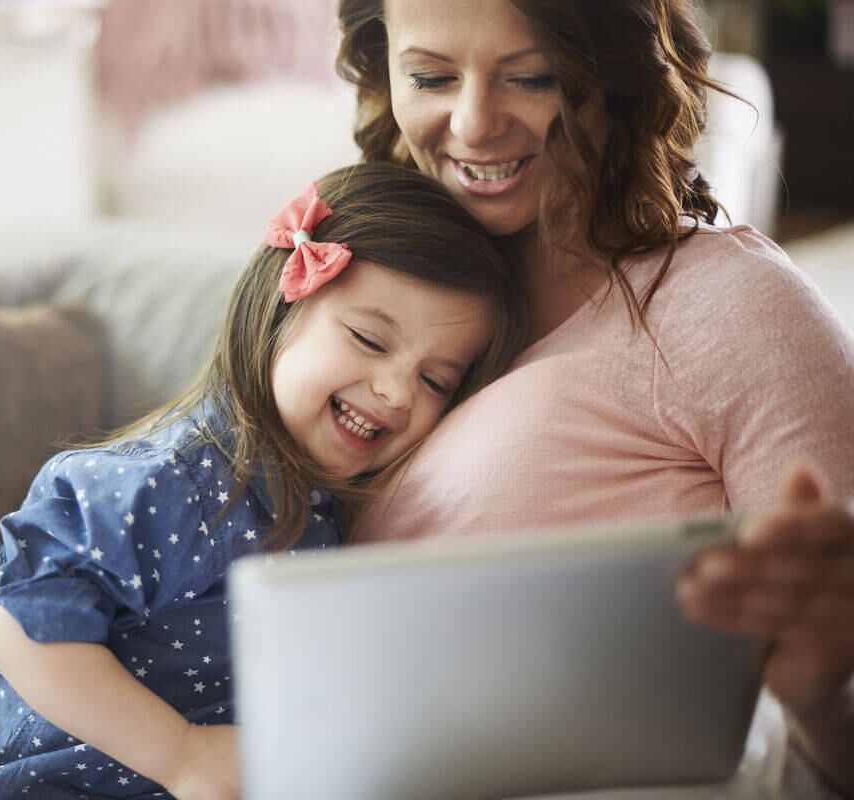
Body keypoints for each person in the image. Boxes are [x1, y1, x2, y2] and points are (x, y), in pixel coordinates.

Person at [336, 0, 854, 796]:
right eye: (431, 77)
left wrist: (819, 697)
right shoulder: (369, 289)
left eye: (534, 77)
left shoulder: (737, 310)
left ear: (616, 75)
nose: (473, 125)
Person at [0, 161, 528, 800]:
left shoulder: (327, 506)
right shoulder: (173, 479)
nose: (397, 391)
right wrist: (180, 754)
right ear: (279, 309)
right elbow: (14, 620)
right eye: (370, 339)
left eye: (436, 381)